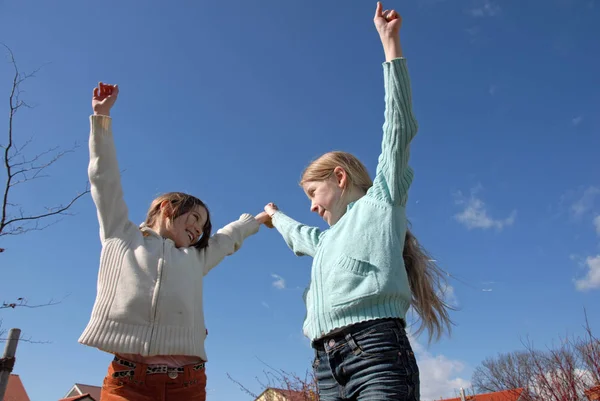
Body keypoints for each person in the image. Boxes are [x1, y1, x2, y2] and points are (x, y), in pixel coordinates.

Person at [262, 3, 452, 400]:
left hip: (377, 352)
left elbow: (397, 128)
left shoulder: (381, 202)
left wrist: (390, 44)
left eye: (314, 194)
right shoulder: (327, 241)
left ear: (341, 178)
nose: (313, 207)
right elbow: (300, 235)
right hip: (325, 366)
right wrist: (275, 216)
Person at [80, 82, 271, 401]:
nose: (198, 231)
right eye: (195, 219)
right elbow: (105, 180)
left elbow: (227, 239)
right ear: (166, 209)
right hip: (128, 380)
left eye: (202, 228)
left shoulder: (196, 259)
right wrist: (101, 117)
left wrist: (258, 220)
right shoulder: (122, 235)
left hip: (187, 382)